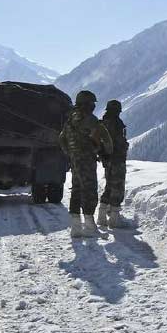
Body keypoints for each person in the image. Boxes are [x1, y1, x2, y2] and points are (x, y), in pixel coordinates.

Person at [59, 90, 112, 238]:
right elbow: (105, 138)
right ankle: (89, 226)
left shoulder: (70, 119)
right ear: (87, 104)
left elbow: (61, 138)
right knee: (89, 189)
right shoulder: (90, 119)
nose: (93, 106)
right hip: (87, 159)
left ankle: (75, 227)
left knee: (76, 189)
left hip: (75, 160)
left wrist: (70, 153)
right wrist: (106, 152)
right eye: (92, 103)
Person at [97, 100, 131, 229]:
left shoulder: (102, 123)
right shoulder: (117, 123)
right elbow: (119, 142)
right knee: (118, 186)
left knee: (109, 185)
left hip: (107, 159)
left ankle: (101, 215)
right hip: (117, 159)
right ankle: (114, 219)